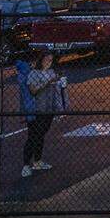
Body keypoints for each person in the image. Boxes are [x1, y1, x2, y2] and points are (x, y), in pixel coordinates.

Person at [20, 50, 66, 178]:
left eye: (51, 60)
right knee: (33, 136)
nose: (48, 63)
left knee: (41, 135)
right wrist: (48, 82)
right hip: (37, 110)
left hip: (49, 108)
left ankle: (37, 161)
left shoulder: (51, 72)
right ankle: (26, 164)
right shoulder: (34, 73)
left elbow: (56, 89)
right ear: (41, 60)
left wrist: (60, 83)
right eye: (46, 60)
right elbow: (33, 90)